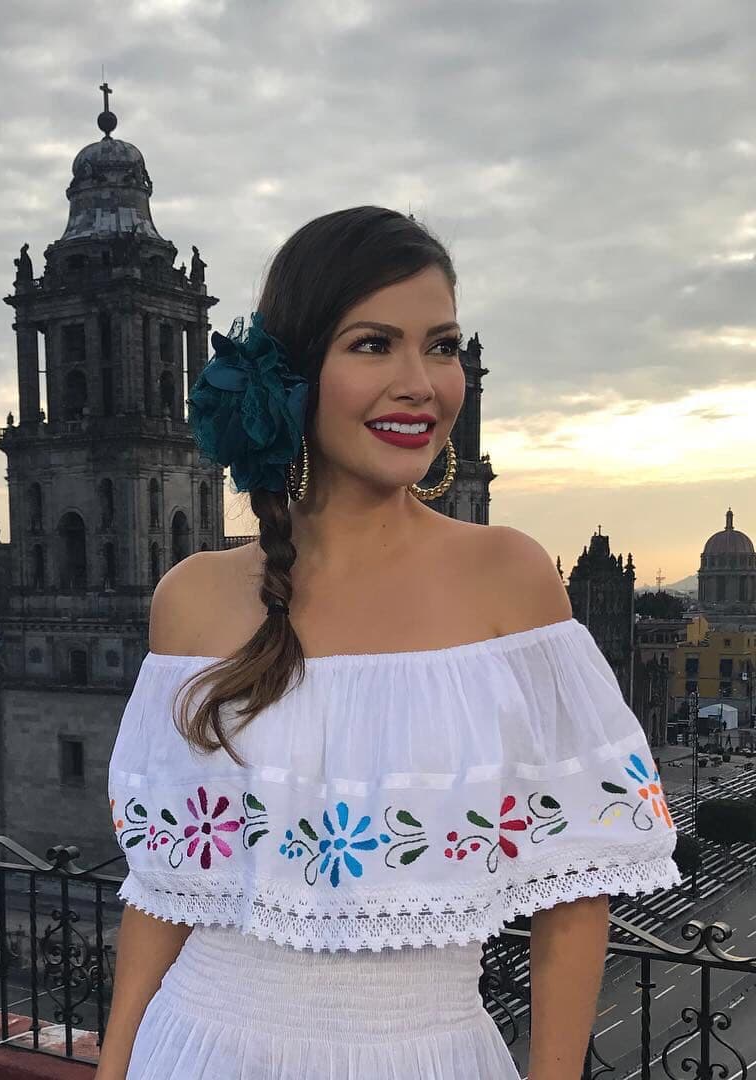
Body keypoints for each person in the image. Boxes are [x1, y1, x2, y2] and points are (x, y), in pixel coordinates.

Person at [98, 206, 680, 1080]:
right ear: (291, 375)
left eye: (440, 346)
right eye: (374, 344)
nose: (422, 382)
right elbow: (165, 891)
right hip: (197, 1050)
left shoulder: (511, 580)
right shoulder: (191, 601)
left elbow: (576, 886)